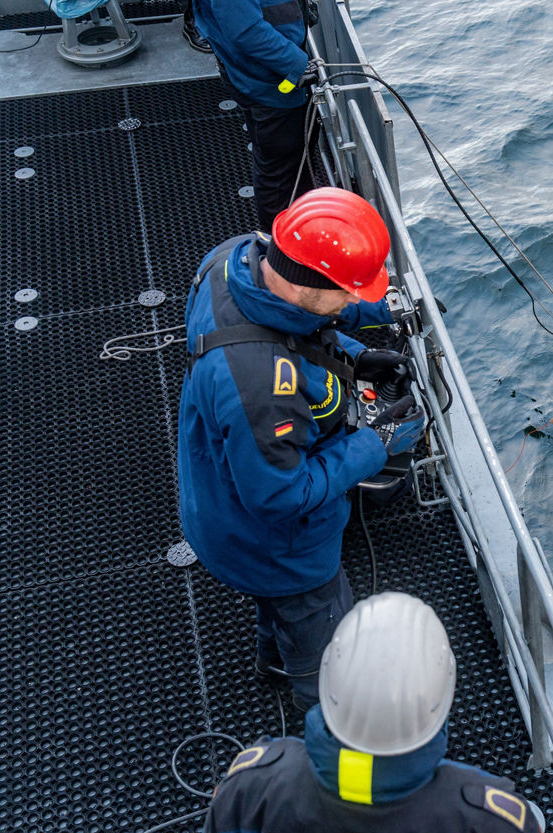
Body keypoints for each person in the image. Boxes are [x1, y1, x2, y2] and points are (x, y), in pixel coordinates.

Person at [178, 187, 425, 711]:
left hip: (217, 498)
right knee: (327, 653)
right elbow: (280, 496)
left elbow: (303, 320)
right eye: (350, 291)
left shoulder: (235, 257)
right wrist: (372, 445)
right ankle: (329, 724)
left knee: (279, 611)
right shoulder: (262, 385)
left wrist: (357, 355)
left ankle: (274, 658)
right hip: (278, 547)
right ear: (310, 284)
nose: (358, 301)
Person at [195, 592, 553, 833]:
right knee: (535, 818)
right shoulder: (491, 827)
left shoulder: (248, 790)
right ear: (441, 697)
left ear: (328, 678)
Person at [193, 0, 320, 230]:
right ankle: (277, 253)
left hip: (259, 75)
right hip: (271, 85)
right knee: (279, 176)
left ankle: (299, 232)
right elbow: (246, 31)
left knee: (290, 166)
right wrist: (296, 63)